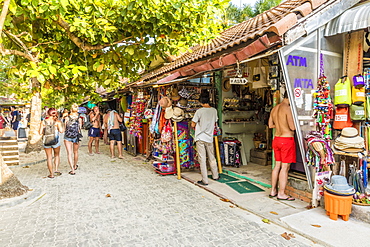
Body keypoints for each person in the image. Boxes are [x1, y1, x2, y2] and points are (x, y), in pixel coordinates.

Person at [268, 91, 296, 201]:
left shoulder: (274, 108)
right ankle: (281, 193)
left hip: (277, 139)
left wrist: (280, 124)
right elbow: (293, 127)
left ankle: (273, 190)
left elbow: (270, 125)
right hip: (286, 140)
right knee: (285, 168)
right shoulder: (287, 109)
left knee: (277, 166)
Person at [191, 95, 219, 186]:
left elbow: (192, 124)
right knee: (212, 157)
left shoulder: (199, 111)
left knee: (202, 159)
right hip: (209, 137)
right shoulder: (214, 110)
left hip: (200, 137)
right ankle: (215, 175)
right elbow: (215, 121)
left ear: (201, 102)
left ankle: (205, 180)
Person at [39, 108, 64, 178]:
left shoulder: (43, 122)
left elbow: (40, 132)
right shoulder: (57, 122)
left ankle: (51, 174)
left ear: (48, 113)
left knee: (49, 158)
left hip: (46, 141)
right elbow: (61, 131)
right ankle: (56, 169)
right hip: (56, 141)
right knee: (57, 155)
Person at [64, 103, 83, 175]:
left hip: (67, 137)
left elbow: (65, 128)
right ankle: (75, 165)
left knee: (69, 153)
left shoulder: (67, 118)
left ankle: (72, 169)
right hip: (76, 137)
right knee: (76, 152)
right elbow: (79, 129)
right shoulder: (79, 119)